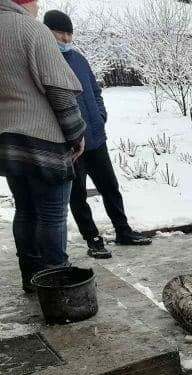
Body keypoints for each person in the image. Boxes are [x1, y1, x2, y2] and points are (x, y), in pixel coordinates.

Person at [44, 10, 152, 259]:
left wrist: (100, 116)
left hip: (95, 138)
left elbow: (95, 91)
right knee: (78, 195)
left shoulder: (79, 60)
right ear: (47, 32)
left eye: (68, 33)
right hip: (70, 144)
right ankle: (92, 239)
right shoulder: (47, 62)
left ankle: (123, 231)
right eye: (60, 33)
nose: (65, 39)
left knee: (110, 187)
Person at [0, 0, 85, 293]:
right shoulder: (32, 30)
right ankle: (57, 284)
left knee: (25, 210)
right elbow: (58, 90)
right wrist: (76, 134)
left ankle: (31, 277)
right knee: (52, 215)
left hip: (8, 142)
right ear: (27, 2)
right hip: (44, 140)